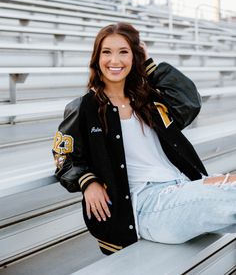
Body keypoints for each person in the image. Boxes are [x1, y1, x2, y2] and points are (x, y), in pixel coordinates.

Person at [52, 22, 236, 256]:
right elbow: (63, 155)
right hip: (146, 205)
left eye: (124, 52)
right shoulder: (84, 108)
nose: (115, 61)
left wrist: (149, 65)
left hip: (182, 187)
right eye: (106, 52)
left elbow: (189, 102)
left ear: (135, 57)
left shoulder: (147, 101)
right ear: (96, 58)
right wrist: (88, 182)